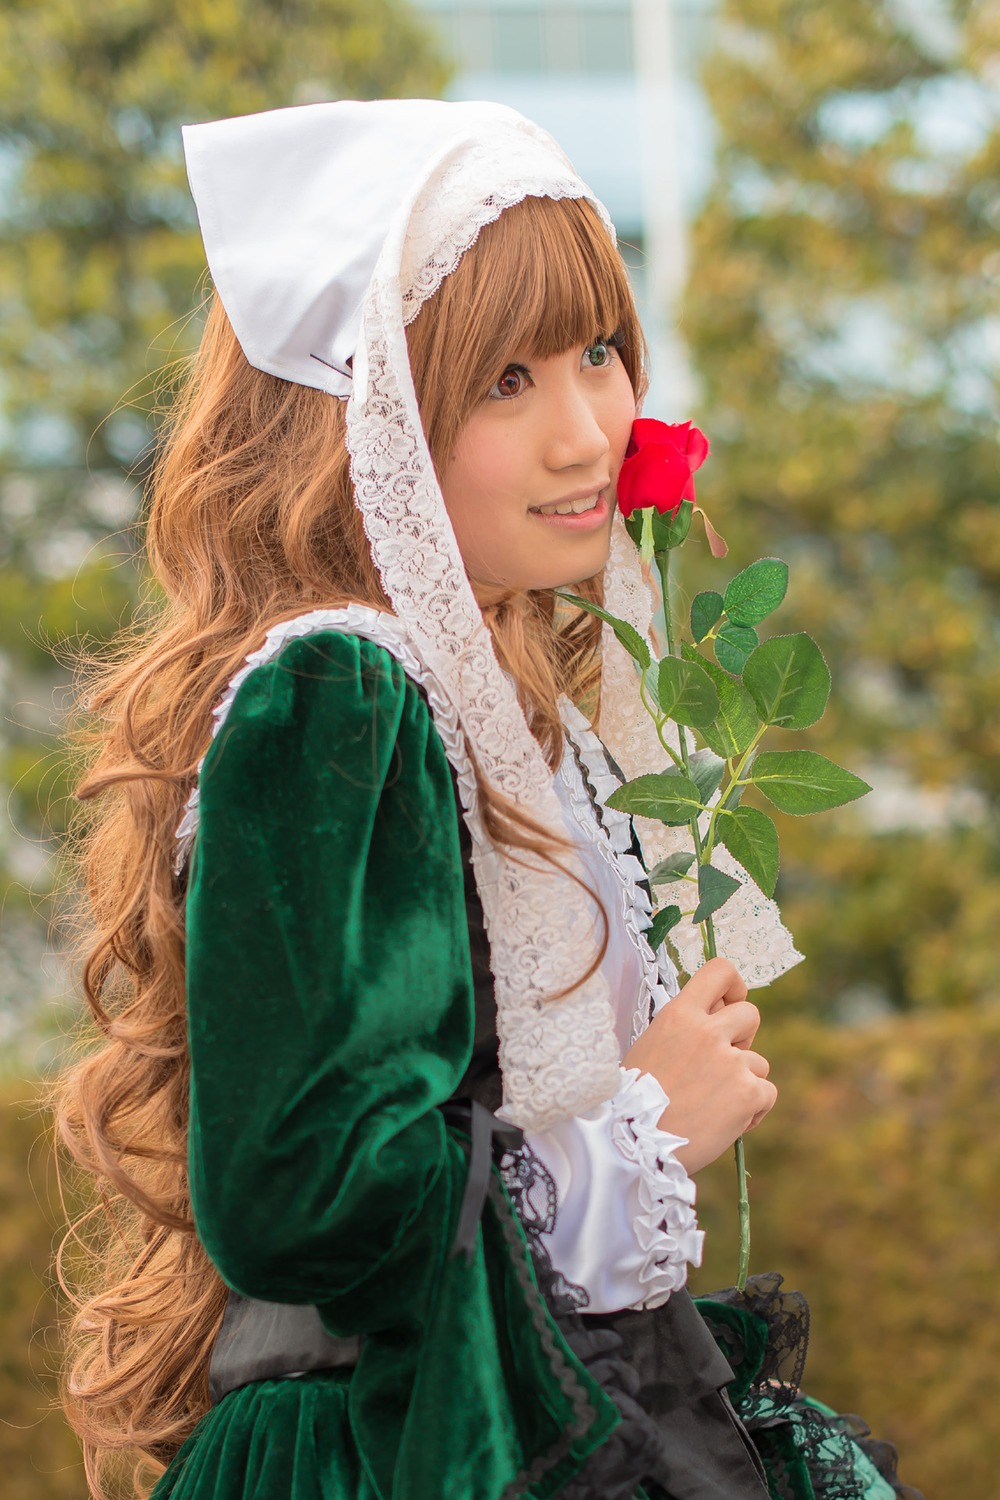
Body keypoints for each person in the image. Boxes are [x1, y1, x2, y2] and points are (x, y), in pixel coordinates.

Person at [56, 100, 919, 1500]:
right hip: (398, 1456)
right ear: (368, 414)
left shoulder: (521, 717)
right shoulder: (338, 697)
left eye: (595, 353)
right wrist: (632, 1131)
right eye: (504, 382)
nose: (588, 431)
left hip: (528, 1416)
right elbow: (302, 1196)